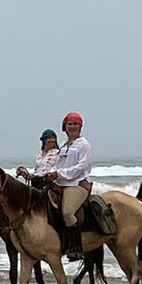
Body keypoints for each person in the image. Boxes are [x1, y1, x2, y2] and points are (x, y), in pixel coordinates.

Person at [52, 111, 93, 260]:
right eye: (70, 124)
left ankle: (76, 248)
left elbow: (82, 167)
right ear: (65, 126)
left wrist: (59, 174)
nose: (73, 126)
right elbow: (56, 165)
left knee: (67, 213)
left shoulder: (84, 145)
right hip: (60, 183)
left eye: (76, 124)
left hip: (76, 184)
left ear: (80, 127)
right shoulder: (63, 146)